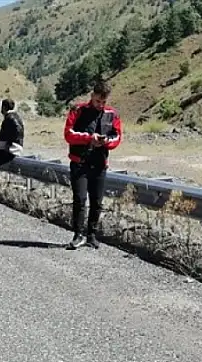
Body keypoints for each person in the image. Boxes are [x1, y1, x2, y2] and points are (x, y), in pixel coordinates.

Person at [63, 81, 122, 250]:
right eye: (97, 101)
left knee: (97, 202)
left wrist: (105, 142)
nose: (100, 105)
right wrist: (89, 138)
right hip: (79, 163)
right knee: (80, 199)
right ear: (92, 96)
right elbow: (68, 134)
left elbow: (117, 137)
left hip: (99, 164)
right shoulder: (78, 110)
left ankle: (91, 234)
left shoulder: (112, 115)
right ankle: (78, 234)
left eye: (103, 102)